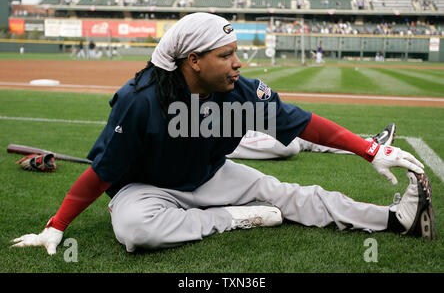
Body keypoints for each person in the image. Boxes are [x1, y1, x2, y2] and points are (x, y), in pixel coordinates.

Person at [11, 13, 435, 255]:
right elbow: (102, 173)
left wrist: (368, 149)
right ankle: (238, 219)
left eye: (236, 54)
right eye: (226, 55)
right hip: (146, 188)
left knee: (291, 195)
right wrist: (57, 225)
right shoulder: (139, 100)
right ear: (193, 60)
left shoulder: (241, 92)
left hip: (210, 174)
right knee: (135, 231)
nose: (238, 63)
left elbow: (302, 122)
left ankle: (394, 220)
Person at [227, 123, 396, 160]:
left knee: (300, 134)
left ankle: (369, 145)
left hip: (237, 131)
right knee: (290, 144)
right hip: (227, 142)